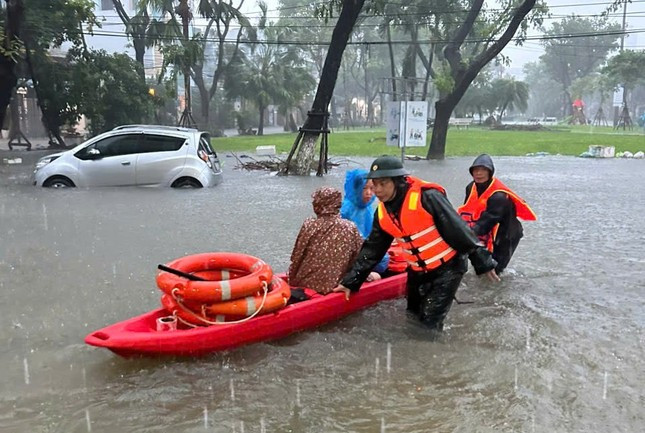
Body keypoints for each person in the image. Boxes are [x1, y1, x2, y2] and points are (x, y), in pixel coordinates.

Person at [333, 156, 499, 332]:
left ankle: (430, 355)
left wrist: (483, 260)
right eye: (375, 184)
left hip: (448, 269)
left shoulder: (428, 197)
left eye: (383, 184)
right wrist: (351, 281)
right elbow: (373, 249)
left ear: (397, 182)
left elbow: (458, 230)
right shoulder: (381, 213)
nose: (377, 190)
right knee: (412, 316)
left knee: (428, 325)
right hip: (417, 271)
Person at [457, 154, 537, 274]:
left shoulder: (498, 196)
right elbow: (468, 211)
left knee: (496, 269)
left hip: (507, 235)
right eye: (476, 170)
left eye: (483, 170)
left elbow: (488, 220)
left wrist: (467, 235)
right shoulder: (470, 187)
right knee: (480, 267)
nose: (479, 173)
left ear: (490, 172)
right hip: (485, 229)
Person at [289, 187, 364, 294]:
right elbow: (359, 259)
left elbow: (296, 256)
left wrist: (290, 280)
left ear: (319, 204)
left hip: (304, 283)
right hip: (333, 286)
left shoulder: (309, 224)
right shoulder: (350, 227)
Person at [340, 168, 389, 280]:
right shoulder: (346, 209)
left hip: (364, 250)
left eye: (372, 189)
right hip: (350, 254)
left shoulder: (368, 209)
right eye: (364, 188)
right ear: (355, 189)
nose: (369, 193)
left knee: (384, 259)